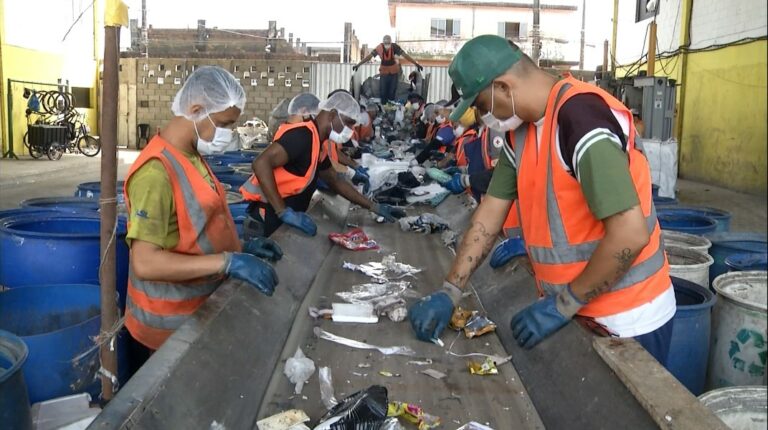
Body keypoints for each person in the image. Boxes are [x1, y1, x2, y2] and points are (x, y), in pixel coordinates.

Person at [408, 35, 675, 366]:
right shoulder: (520, 132)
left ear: (504, 87)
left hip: (628, 317)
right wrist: (451, 290)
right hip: (574, 307)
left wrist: (563, 304)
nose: (481, 116)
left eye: (480, 105)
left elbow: (630, 234)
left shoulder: (580, 120)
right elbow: (490, 213)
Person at [123, 66, 281, 351]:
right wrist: (228, 262)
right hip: (164, 334)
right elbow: (145, 263)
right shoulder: (156, 173)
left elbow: (193, 230)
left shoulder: (191, 155)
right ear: (196, 109)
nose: (229, 133)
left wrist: (242, 248)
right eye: (225, 124)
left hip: (196, 316)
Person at [241, 91, 406, 237]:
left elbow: (334, 181)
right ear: (333, 114)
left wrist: (374, 207)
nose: (349, 130)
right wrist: (282, 211)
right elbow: (261, 163)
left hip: (279, 218)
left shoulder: (318, 143)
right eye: (348, 123)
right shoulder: (302, 135)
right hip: (265, 220)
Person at [353, 35, 423, 105]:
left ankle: (390, 109)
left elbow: (405, 56)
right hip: (384, 74)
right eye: (385, 44)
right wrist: (358, 64)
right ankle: (384, 109)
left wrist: (416, 64)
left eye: (388, 44)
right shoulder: (379, 48)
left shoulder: (395, 47)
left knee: (392, 94)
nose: (387, 46)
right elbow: (369, 57)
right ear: (383, 43)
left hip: (394, 74)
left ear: (391, 42)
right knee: (383, 93)